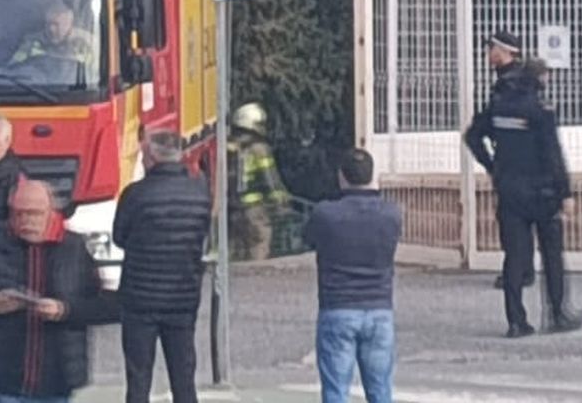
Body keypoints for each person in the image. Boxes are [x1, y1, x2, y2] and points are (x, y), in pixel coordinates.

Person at [0, 179, 118, 403]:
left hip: (56, 379)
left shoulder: (74, 248)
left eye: (33, 214)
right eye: (19, 214)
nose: (26, 221)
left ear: (51, 212)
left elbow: (106, 307)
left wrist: (64, 310)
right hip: (2, 378)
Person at [465, 58, 582, 337]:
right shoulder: (540, 111)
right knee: (552, 255)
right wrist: (565, 192)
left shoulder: (499, 107)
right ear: (540, 79)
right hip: (542, 191)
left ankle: (516, 320)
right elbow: (552, 154)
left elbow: (473, 136)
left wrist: (492, 166)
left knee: (515, 256)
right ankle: (557, 313)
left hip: (510, 189)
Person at [112, 128, 213, 403]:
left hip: (140, 300)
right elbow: (202, 236)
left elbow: (119, 238)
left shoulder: (135, 195)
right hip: (182, 297)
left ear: (152, 157)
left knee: (138, 379)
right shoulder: (200, 193)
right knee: (183, 379)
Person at [303, 148, 403, 403]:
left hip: (338, 307)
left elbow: (309, 238)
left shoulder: (326, 214)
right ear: (373, 176)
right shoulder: (391, 214)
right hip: (380, 309)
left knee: (336, 391)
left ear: (341, 176)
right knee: (380, 391)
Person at [475, 30, 533, 291]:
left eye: (492, 48)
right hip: (521, 160)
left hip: (512, 161)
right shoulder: (517, 78)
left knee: (511, 220)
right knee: (521, 218)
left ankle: (517, 272)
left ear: (505, 51)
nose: (488, 53)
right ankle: (524, 269)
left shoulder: (509, 83)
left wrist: (490, 164)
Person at [228, 102, 290, 261]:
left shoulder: (226, 146)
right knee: (258, 247)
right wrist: (281, 204)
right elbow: (270, 179)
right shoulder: (260, 149)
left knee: (234, 253)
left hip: (229, 209)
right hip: (253, 211)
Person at [11, 4, 96, 73]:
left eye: (56, 24)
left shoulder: (84, 46)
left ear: (68, 24)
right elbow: (12, 68)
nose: (51, 29)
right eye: (48, 24)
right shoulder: (31, 43)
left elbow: (95, 74)